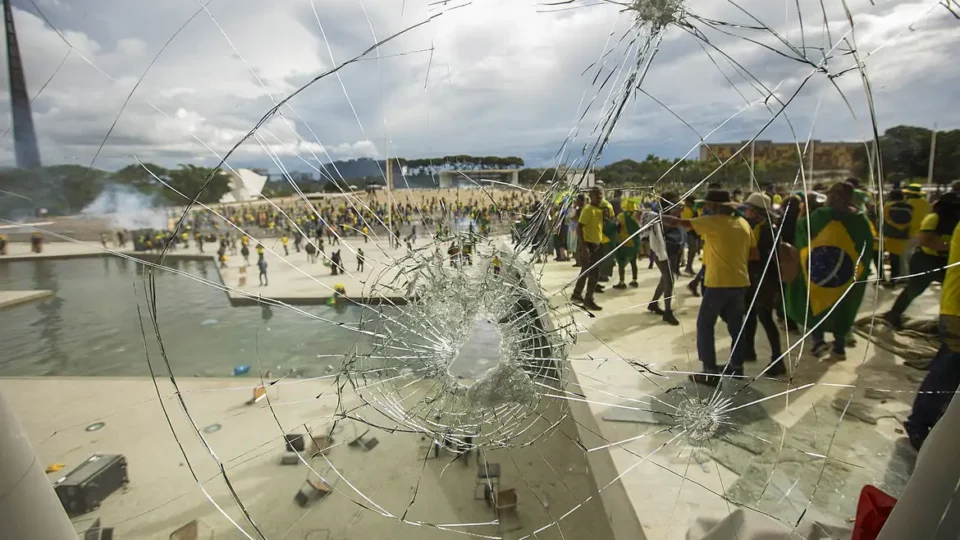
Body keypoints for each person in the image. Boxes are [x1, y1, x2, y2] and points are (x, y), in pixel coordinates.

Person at [665, 190, 757, 383]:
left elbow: (678, 223)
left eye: (707, 204)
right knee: (736, 327)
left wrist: (652, 216)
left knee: (705, 325)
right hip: (740, 282)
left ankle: (709, 372)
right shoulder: (743, 224)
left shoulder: (714, 221)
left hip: (718, 283)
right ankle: (736, 367)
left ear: (715, 206)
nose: (705, 207)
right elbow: (754, 254)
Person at [786, 182, 873, 361]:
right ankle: (839, 348)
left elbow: (802, 234)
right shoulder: (860, 220)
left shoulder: (818, 216)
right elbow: (867, 247)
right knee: (843, 307)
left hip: (818, 272)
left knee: (816, 304)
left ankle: (818, 342)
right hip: (845, 276)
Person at [903, 220, 960, 450]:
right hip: (957, 312)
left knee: (948, 372)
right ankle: (918, 425)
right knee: (946, 373)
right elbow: (928, 238)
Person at [883, 192, 960, 329]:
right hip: (926, 260)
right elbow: (925, 240)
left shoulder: (955, 220)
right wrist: (950, 247)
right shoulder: (934, 218)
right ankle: (893, 314)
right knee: (914, 289)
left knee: (951, 293)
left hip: (945, 260)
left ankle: (948, 322)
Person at [740, 193, 785, 376]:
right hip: (754, 278)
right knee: (750, 315)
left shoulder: (768, 230)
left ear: (757, 212)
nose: (746, 212)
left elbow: (763, 256)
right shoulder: (759, 227)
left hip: (764, 280)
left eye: (749, 210)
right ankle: (749, 350)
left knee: (765, 318)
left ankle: (778, 359)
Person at [647, 194, 681, 326]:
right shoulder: (661, 217)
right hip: (662, 253)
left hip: (671, 251)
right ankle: (667, 312)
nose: (678, 205)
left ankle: (653, 304)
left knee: (665, 279)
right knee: (669, 280)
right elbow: (662, 232)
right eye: (675, 203)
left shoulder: (673, 215)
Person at [571, 186, 606, 311]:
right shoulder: (588, 209)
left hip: (596, 244)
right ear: (591, 196)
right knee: (594, 273)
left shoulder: (598, 210)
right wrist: (584, 247)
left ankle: (576, 294)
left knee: (585, 271)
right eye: (598, 196)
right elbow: (579, 228)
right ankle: (588, 299)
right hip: (589, 245)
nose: (600, 198)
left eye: (601, 196)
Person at [880, 190, 912, 287]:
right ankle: (900, 278)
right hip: (904, 236)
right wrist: (902, 227)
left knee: (893, 258)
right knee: (902, 258)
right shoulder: (909, 207)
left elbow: (884, 220)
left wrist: (893, 225)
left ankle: (891, 279)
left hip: (891, 236)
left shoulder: (887, 207)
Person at [613, 200, 640, 290]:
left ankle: (622, 282)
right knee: (633, 262)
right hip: (635, 242)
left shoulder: (621, 216)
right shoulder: (637, 216)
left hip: (624, 241)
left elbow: (617, 227)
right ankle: (634, 280)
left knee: (621, 263)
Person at [682, 196, 700, 275]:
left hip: (693, 232)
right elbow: (687, 222)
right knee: (692, 249)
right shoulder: (685, 210)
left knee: (693, 249)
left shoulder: (693, 209)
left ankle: (688, 267)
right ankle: (687, 267)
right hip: (688, 232)